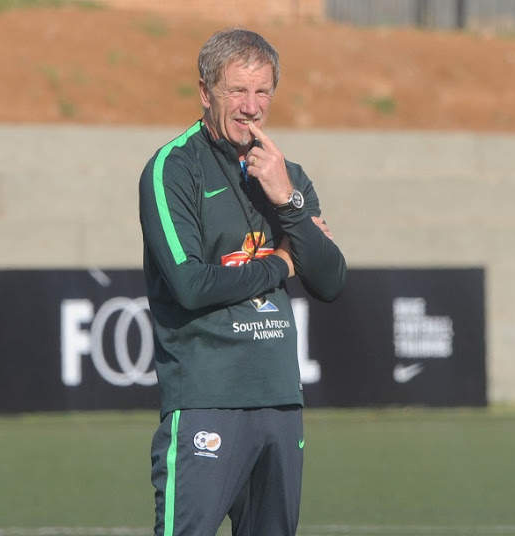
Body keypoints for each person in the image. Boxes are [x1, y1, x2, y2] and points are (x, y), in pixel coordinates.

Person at [138, 28, 346, 536]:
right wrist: (278, 266)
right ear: (207, 93)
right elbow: (190, 284)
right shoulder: (173, 167)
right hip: (207, 396)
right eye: (237, 91)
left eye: (262, 92)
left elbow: (331, 278)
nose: (251, 107)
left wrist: (287, 199)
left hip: (279, 399)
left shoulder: (285, 173)